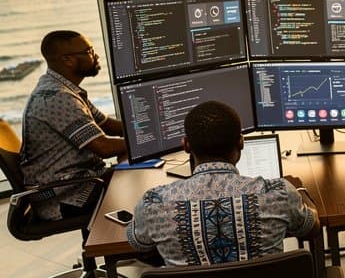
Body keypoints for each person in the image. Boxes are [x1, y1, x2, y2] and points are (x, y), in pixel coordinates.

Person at [127, 101, 319, 265]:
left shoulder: (154, 203)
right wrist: (299, 190)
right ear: (241, 142)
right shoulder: (278, 193)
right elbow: (310, 229)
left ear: (186, 145)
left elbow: (139, 244)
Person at [19, 30, 127, 221]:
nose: (96, 55)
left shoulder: (66, 89)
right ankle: (120, 245)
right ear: (68, 60)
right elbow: (104, 147)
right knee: (141, 184)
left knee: (136, 170)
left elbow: (108, 125)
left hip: (81, 180)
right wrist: (150, 142)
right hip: (66, 195)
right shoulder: (57, 96)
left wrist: (150, 130)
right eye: (89, 51)